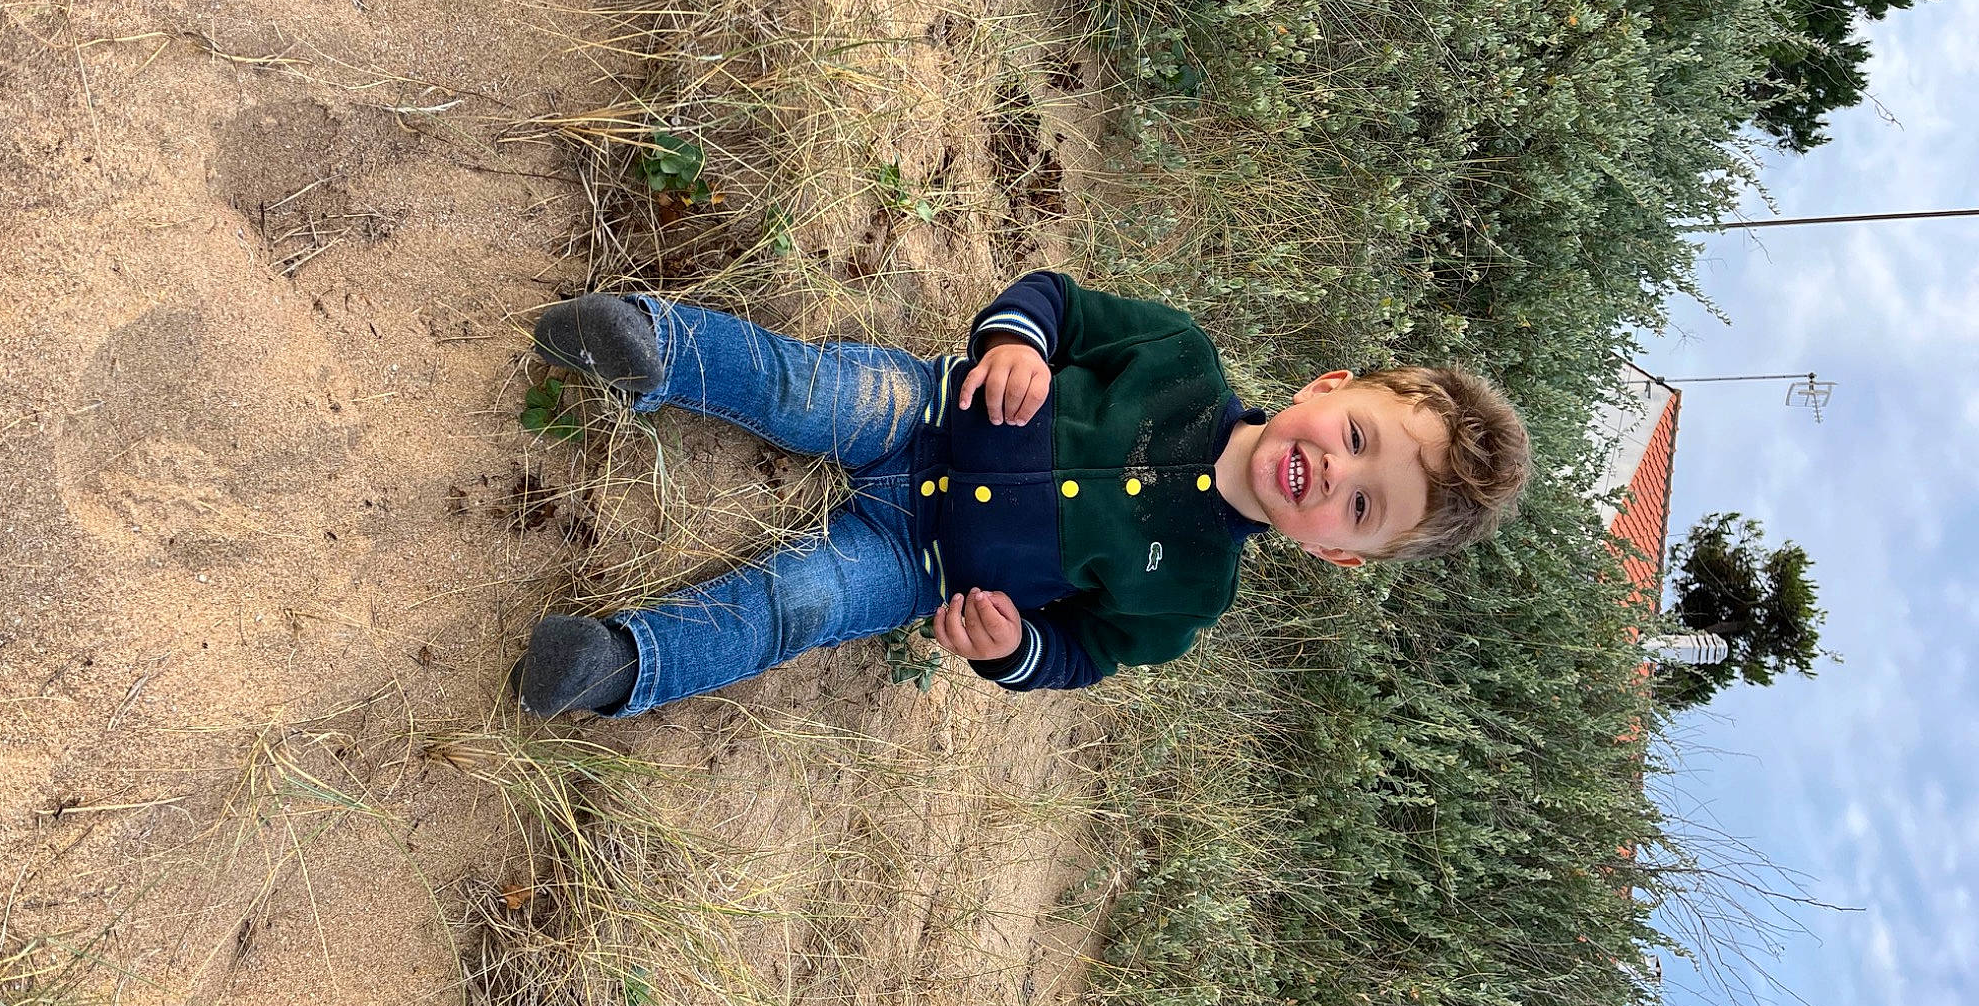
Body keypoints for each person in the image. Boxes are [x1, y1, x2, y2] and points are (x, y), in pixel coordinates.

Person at [514, 273, 1531, 717]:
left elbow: (1078, 657)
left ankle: (619, 664)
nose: (1335, 472)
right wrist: (1015, 345)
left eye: (1360, 506)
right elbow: (1053, 300)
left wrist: (1011, 650)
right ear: (1327, 390)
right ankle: (651, 346)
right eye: (1355, 439)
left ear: (1335, 553)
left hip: (920, 567)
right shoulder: (1177, 357)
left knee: (799, 606)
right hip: (921, 409)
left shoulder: (1187, 599)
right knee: (805, 385)